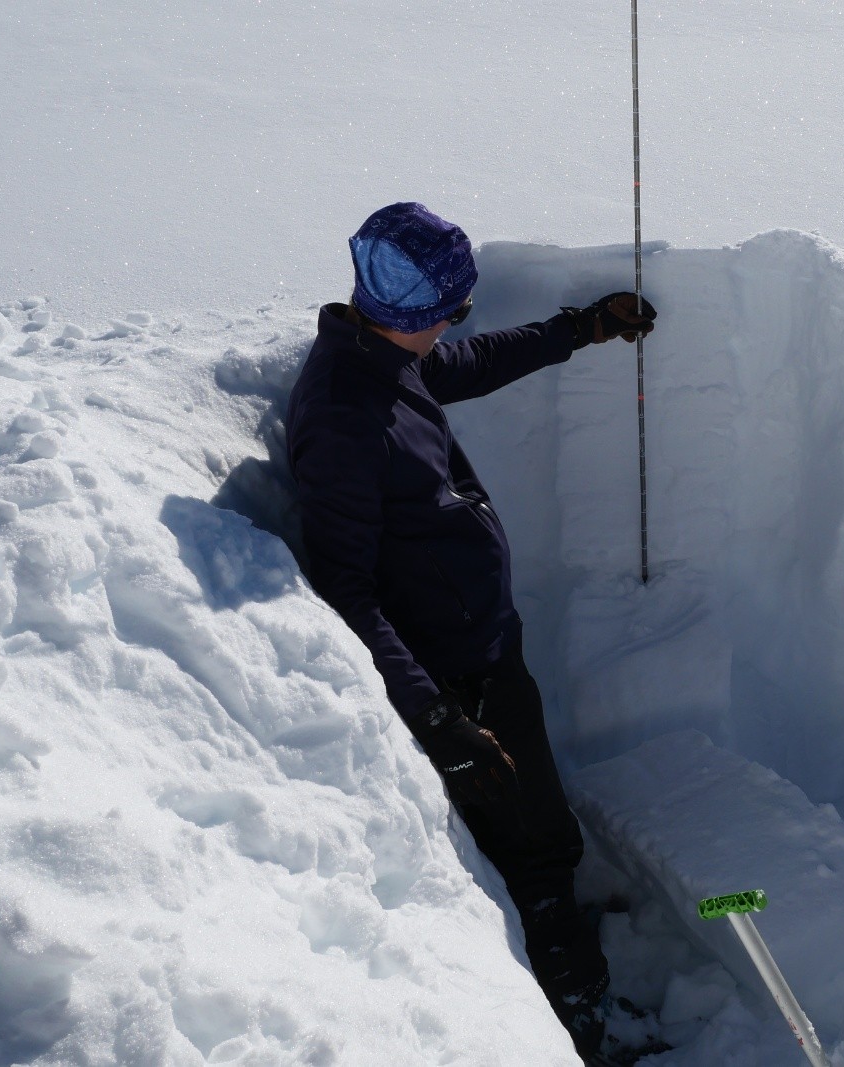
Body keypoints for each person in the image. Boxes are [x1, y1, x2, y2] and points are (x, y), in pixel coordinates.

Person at [284, 202, 656, 1060]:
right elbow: (343, 587)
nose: (458, 325)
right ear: (422, 313)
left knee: (537, 830)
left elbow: (466, 365)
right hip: (458, 681)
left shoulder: (379, 359)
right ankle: (579, 1014)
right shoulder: (345, 415)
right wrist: (441, 718)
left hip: (484, 646)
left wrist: (580, 329)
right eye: (453, 310)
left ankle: (564, 971)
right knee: (533, 847)